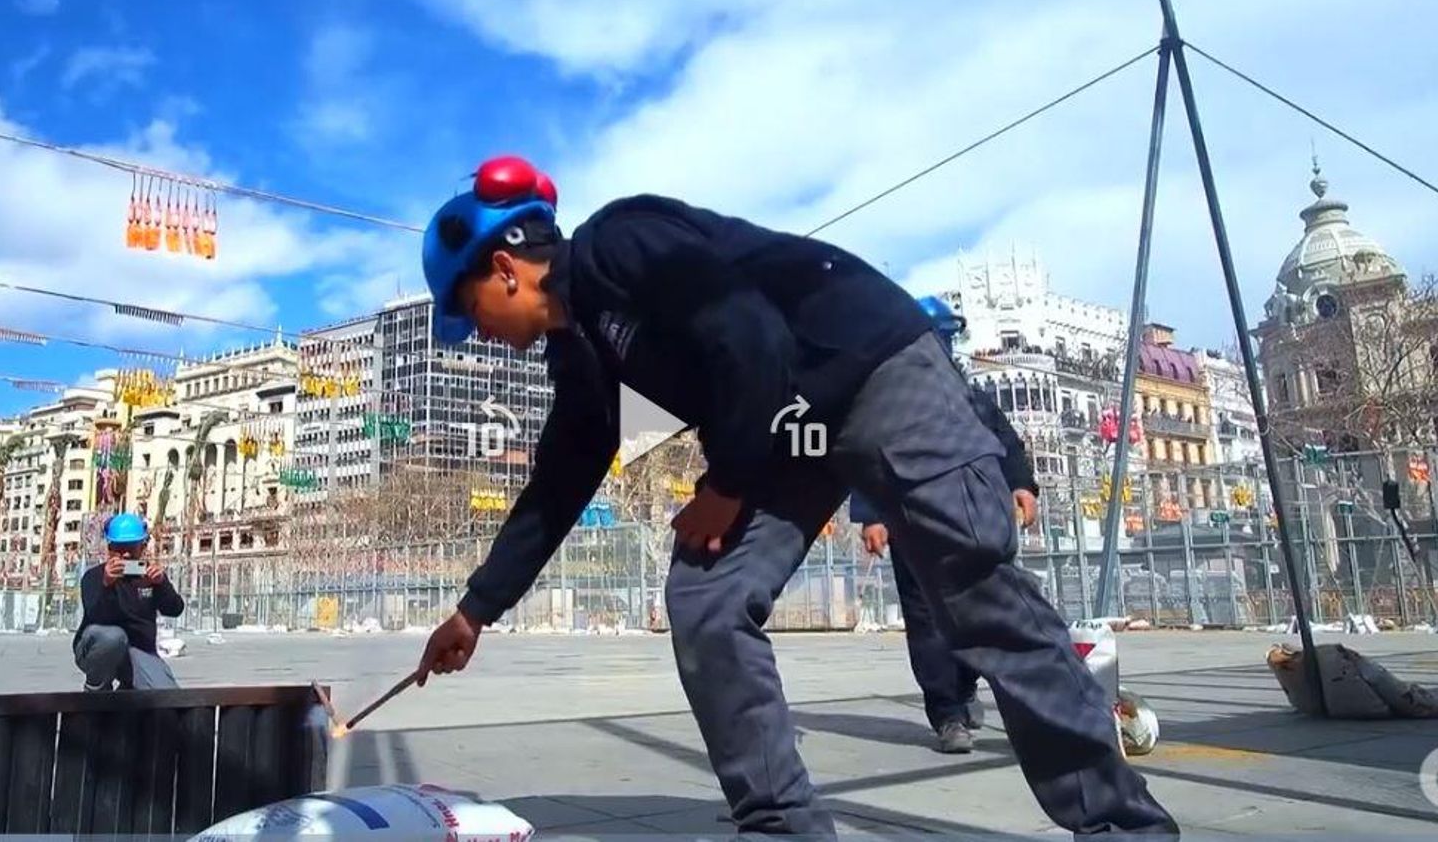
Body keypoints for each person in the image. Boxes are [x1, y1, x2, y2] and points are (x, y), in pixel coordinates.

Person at [412, 155, 1178, 838]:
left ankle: (1120, 824)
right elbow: (561, 478)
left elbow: (746, 334)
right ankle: (782, 825)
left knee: (977, 594)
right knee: (707, 598)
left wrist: (728, 483)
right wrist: (476, 609)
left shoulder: (621, 242)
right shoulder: (583, 354)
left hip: (870, 370)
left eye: (470, 309)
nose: (477, 333)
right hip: (784, 428)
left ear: (506, 267)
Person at [849, 295, 1043, 755]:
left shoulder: (967, 393)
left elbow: (1003, 438)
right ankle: (948, 713)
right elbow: (863, 449)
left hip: (971, 519)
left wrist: (1022, 483)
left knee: (982, 612)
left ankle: (967, 684)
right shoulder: (885, 394)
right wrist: (872, 516)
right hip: (911, 520)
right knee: (927, 619)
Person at [73, 513, 183, 691]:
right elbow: (95, 615)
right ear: (110, 548)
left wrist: (162, 585)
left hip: (138, 651)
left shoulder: (149, 577)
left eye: (131, 548)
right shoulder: (94, 576)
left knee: (167, 697)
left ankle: (129, 691)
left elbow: (175, 609)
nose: (125, 554)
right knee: (113, 637)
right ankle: (96, 687)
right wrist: (107, 585)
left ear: (142, 547)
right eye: (119, 548)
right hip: (98, 647)